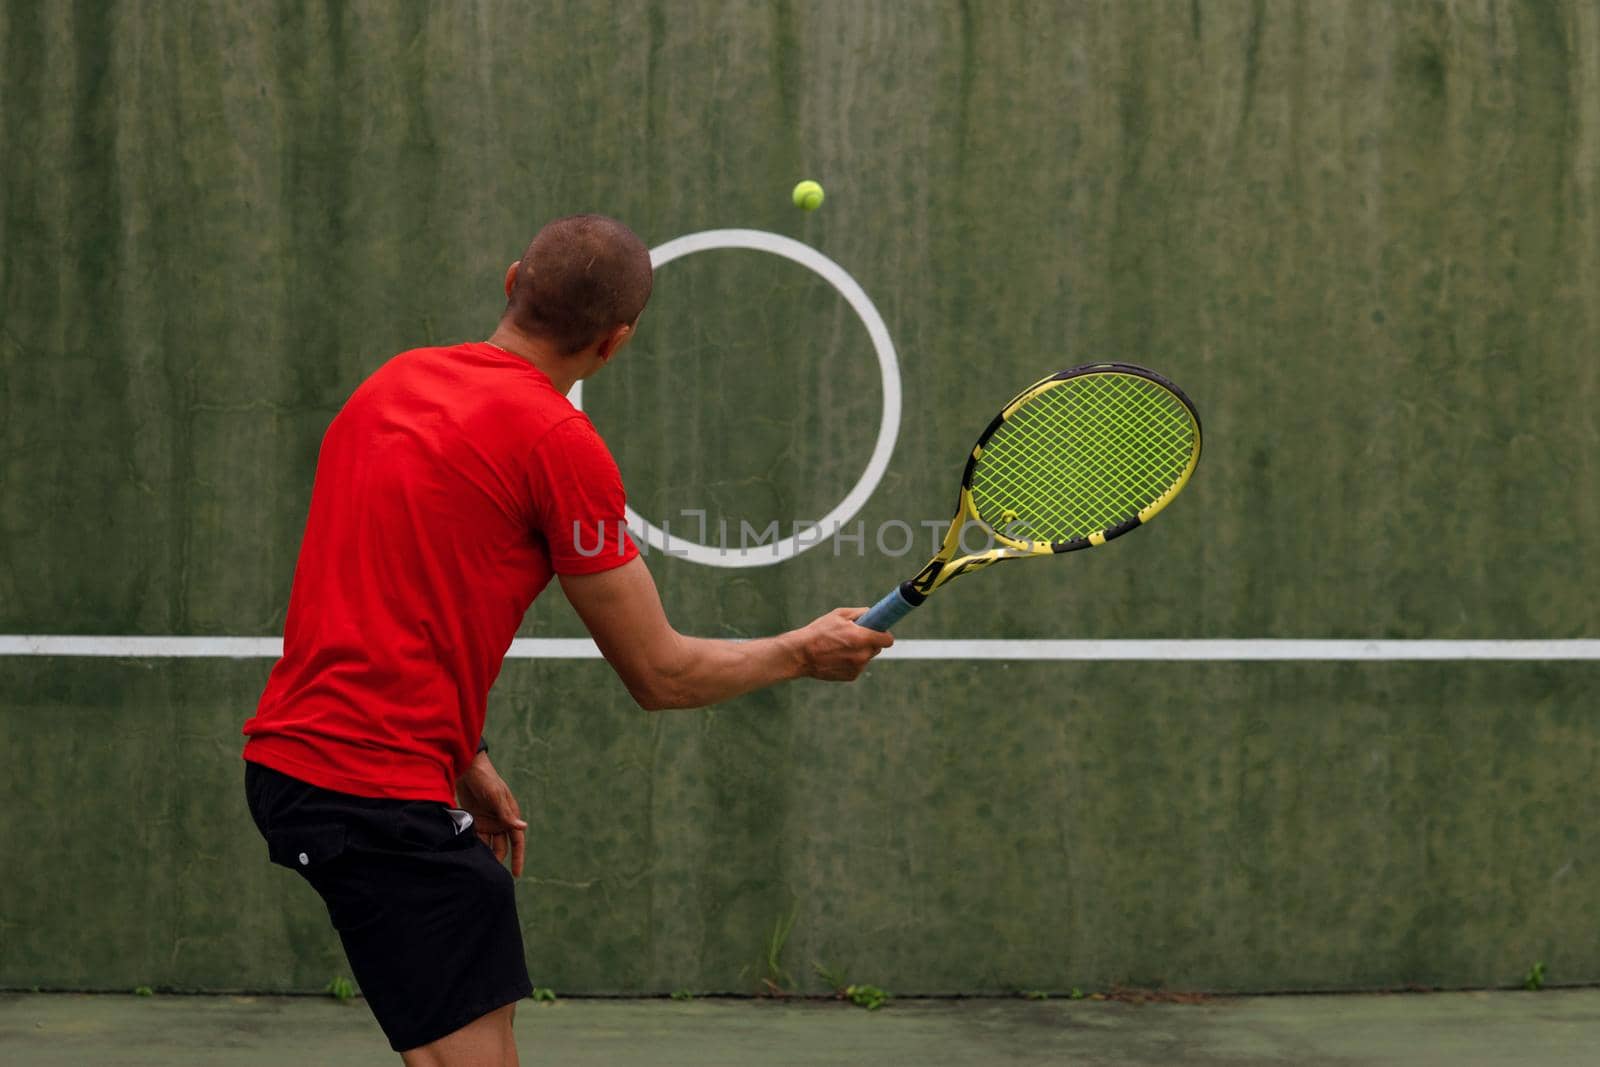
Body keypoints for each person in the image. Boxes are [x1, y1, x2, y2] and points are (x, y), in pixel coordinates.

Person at [240, 214, 893, 1066]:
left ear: (513, 280)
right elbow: (659, 673)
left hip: (302, 763)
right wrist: (802, 651)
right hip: (367, 786)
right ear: (615, 343)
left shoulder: (392, 383)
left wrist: (461, 751)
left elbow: (377, 592)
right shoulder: (559, 445)